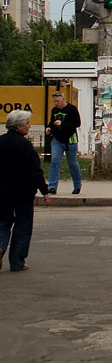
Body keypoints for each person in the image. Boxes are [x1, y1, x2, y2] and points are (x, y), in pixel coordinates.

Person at [0, 110, 52, 272]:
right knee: (22, 226)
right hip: (23, 193)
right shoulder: (25, 146)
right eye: (27, 124)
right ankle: (17, 262)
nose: (29, 126)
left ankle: (0, 246)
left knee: (2, 223)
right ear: (19, 126)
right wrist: (45, 191)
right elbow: (35, 172)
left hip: (1, 192)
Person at [44, 91, 82, 195]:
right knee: (55, 161)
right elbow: (52, 122)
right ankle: (52, 186)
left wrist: (63, 123)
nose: (56, 103)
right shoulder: (54, 110)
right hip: (57, 139)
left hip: (70, 140)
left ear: (63, 100)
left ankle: (77, 185)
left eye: (58, 101)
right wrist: (49, 127)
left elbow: (77, 123)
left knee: (72, 163)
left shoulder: (71, 109)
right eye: (55, 101)